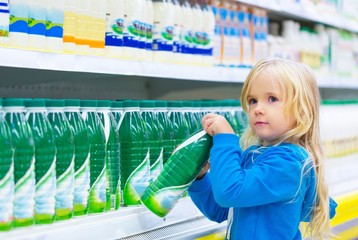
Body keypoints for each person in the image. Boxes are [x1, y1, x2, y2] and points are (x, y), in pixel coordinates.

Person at [188, 58, 337, 239]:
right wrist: (201, 177)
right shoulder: (255, 155)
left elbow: (230, 192)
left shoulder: (289, 164)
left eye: (272, 99)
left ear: (302, 110)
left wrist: (226, 138)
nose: (258, 108)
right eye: (252, 100)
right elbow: (221, 210)